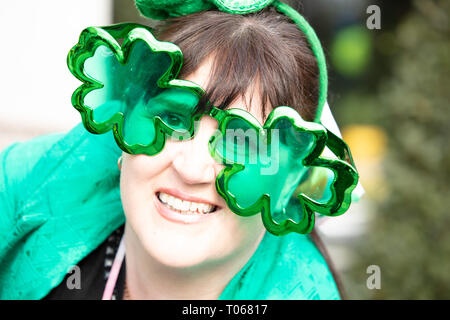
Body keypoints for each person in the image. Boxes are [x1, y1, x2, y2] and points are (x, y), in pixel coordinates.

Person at [0, 1, 358, 300]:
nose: (191, 168)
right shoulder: (36, 183)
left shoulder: (301, 290)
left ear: (289, 183)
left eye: (242, 142)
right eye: (172, 118)